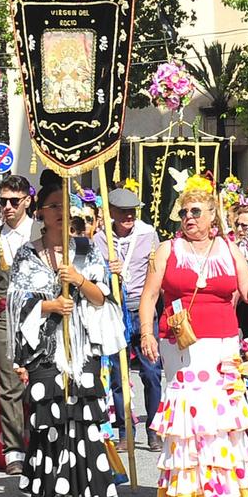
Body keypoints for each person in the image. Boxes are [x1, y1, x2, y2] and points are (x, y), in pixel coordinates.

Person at [139, 178, 248, 497]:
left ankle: (220, 487)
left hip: (223, 342)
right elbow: (149, 296)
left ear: (212, 217)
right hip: (181, 343)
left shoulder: (229, 249)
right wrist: (146, 333)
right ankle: (187, 486)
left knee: (220, 414)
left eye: (196, 211)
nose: (189, 217)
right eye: (184, 212)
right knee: (189, 410)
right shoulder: (167, 249)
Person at [12, 173, 121, 497]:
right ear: (40, 212)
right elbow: (15, 302)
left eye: (65, 206)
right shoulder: (27, 255)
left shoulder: (87, 251)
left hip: (82, 347)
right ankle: (42, 493)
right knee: (49, 417)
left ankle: (79, 496)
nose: (61, 212)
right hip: (45, 348)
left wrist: (79, 280)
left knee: (83, 417)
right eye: (53, 206)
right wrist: (48, 306)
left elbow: (102, 296)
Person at [0, 173, 38, 474]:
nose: (8, 207)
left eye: (14, 201)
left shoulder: (40, 231)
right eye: (3, 202)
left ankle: (41, 439)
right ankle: (14, 448)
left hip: (39, 314)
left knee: (40, 377)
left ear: (27, 200)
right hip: (4, 316)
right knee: (9, 383)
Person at [105, 186, 162, 445]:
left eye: (132, 212)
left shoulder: (148, 234)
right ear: (112, 212)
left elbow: (158, 271)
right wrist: (108, 270)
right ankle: (125, 430)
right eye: (123, 212)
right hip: (116, 310)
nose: (128, 217)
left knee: (151, 371)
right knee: (119, 376)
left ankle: (154, 428)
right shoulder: (101, 238)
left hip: (144, 309)